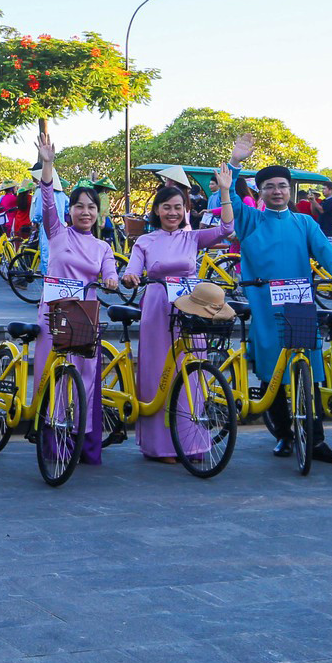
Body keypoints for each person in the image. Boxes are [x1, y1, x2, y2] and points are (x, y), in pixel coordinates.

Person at [225, 135, 332, 461]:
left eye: (282, 185)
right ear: (261, 192)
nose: (277, 191)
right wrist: (235, 163)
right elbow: (229, 199)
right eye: (269, 186)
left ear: (290, 190)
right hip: (266, 308)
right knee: (274, 376)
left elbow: (326, 251)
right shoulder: (251, 220)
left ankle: (316, 440)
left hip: (300, 305)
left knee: (308, 375)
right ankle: (284, 434)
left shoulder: (304, 222)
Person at [120, 172, 235, 461]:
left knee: (192, 375)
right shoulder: (145, 241)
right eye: (166, 207)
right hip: (158, 310)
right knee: (159, 375)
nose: (172, 212)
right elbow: (131, 270)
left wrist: (224, 191)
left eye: (178, 207)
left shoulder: (193, 237)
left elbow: (227, 227)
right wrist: (131, 276)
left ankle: (192, 442)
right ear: (156, 211)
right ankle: (160, 446)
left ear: (185, 210)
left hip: (191, 310)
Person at [31, 128, 121, 465]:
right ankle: (52, 444)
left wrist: (111, 281)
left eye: (91, 207)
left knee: (84, 378)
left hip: (85, 314)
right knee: (51, 376)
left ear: (99, 213)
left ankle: (82, 443)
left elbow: (109, 273)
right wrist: (47, 166)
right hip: (53, 312)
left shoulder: (102, 246)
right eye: (79, 206)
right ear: (69, 211)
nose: (85, 212)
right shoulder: (56, 234)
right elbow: (47, 201)